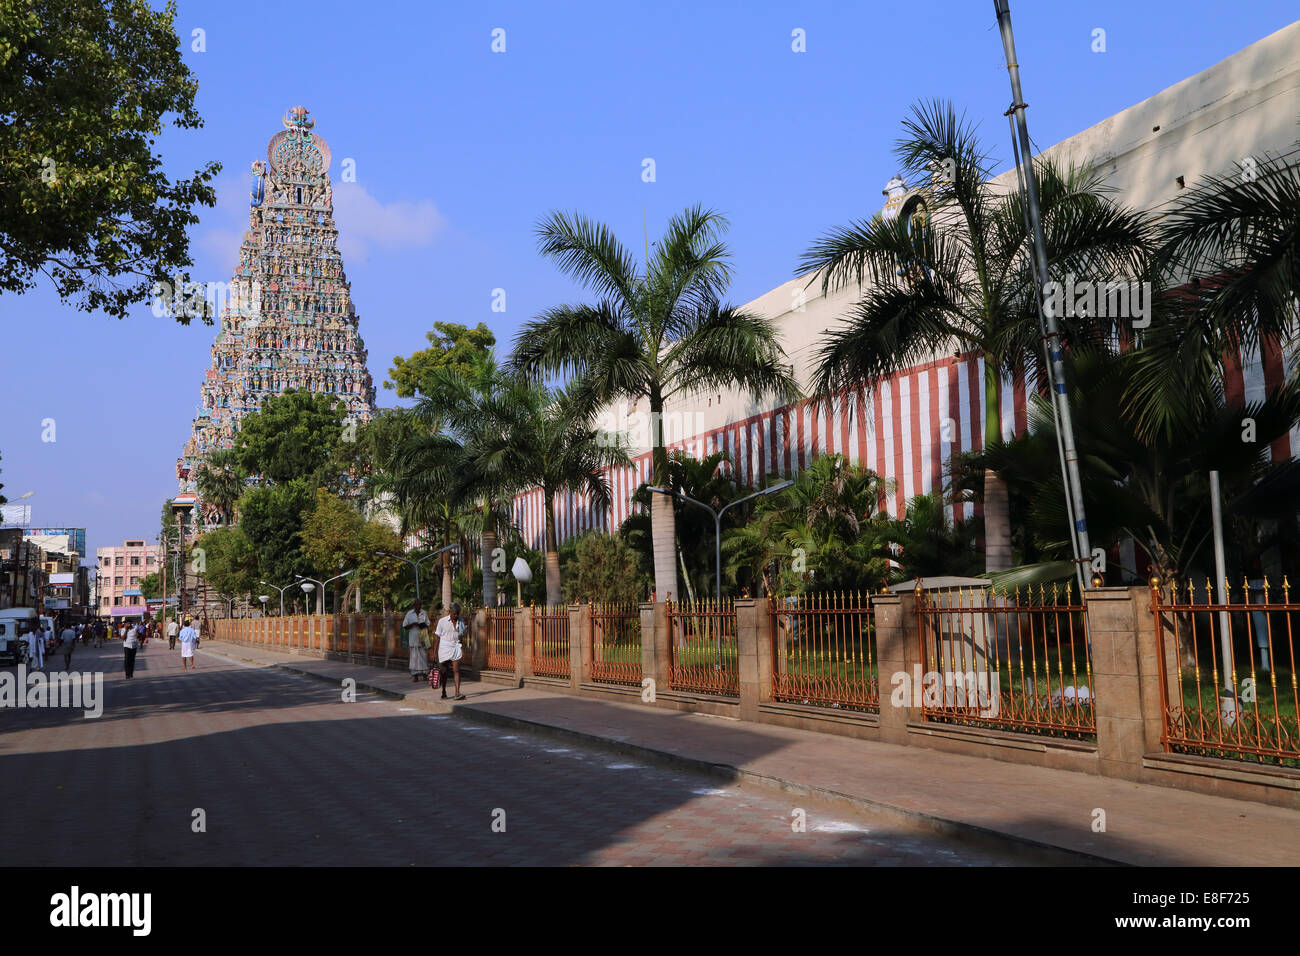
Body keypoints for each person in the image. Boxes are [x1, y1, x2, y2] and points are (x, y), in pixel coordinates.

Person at [435, 602, 466, 700]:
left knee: (456, 670)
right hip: (444, 648)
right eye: (454, 613)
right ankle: (444, 690)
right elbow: (437, 637)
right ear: (450, 612)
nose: (456, 615)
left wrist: (462, 647)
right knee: (444, 672)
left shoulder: (461, 621)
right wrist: (434, 652)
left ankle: (457, 692)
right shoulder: (442, 621)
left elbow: (462, 636)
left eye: (458, 613)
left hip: (456, 646)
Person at [402, 599, 430, 682]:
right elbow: (405, 625)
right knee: (414, 658)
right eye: (416, 605)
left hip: (423, 636)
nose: (418, 606)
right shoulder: (409, 614)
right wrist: (413, 624)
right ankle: (415, 675)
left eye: (419, 605)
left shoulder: (424, 613)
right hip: (413, 638)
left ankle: (425, 674)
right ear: (413, 606)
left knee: (424, 656)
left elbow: (428, 623)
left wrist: (421, 624)